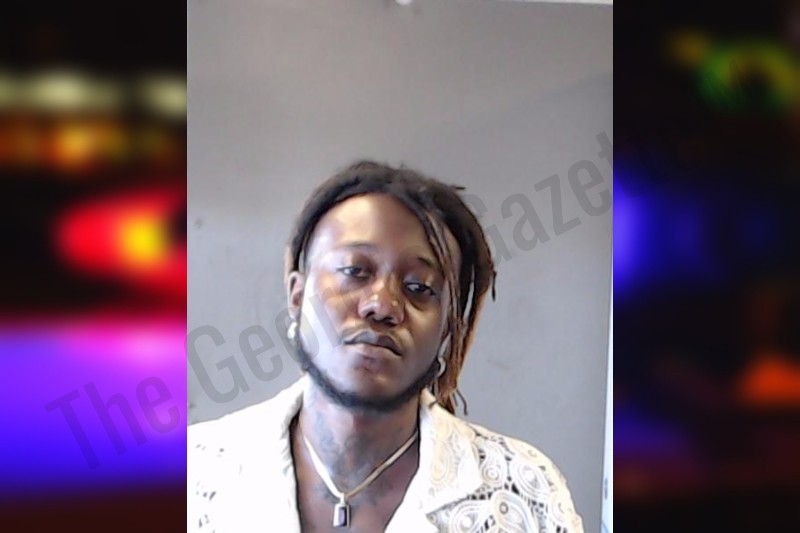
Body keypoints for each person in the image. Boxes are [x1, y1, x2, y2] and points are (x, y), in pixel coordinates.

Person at [188, 160, 584, 532]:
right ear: (297, 294)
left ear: (447, 327)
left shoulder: (523, 495)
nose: (382, 305)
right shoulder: (193, 471)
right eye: (354, 271)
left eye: (419, 288)